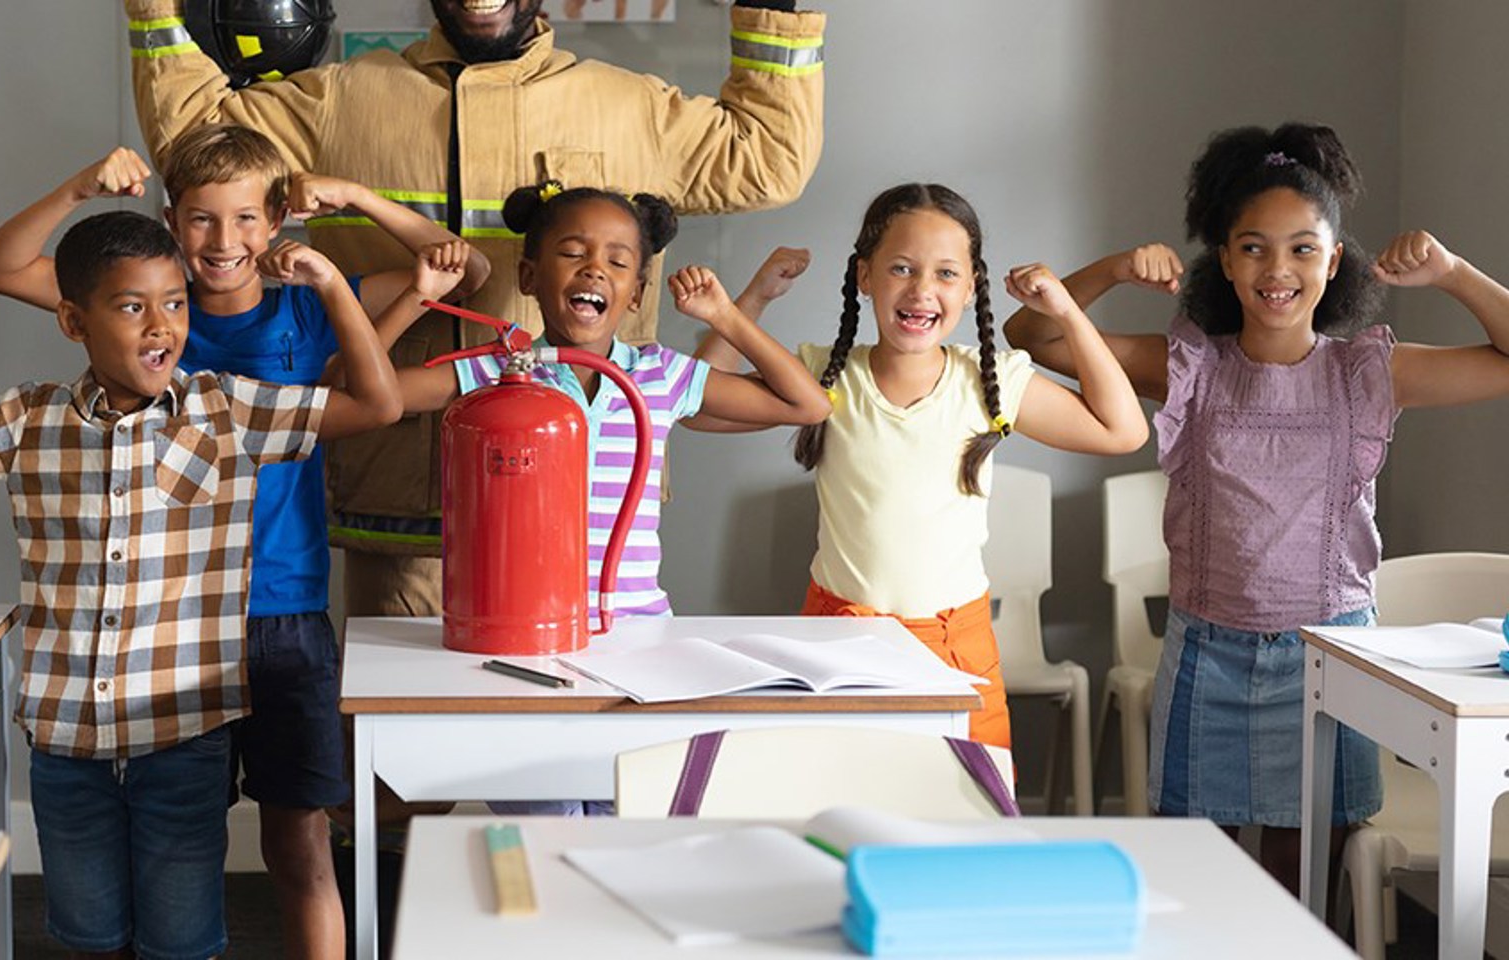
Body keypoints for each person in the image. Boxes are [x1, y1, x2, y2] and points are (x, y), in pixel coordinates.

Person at [121, 0, 827, 626]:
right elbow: (195, 137)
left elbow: (766, 157)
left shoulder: (631, 106)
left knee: (565, 751)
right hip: (397, 497)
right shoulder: (338, 100)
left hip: (575, 512)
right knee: (394, 756)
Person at [0, 124, 483, 960]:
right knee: (171, 843)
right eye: (201, 220)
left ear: (278, 218)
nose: (223, 242)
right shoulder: (145, 308)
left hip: (279, 610)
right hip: (162, 624)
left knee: (297, 842)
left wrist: (347, 198)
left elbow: (467, 268)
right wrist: (82, 186)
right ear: (172, 221)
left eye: (246, 219)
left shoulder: (310, 303)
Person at [0, 210, 402, 960]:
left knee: (181, 941)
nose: (161, 325)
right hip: (64, 740)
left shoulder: (228, 410)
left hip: (184, 736)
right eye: (131, 306)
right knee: (90, 936)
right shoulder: (30, 419)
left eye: (174, 303)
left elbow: (378, 404)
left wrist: (335, 290)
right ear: (72, 321)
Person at [1002, 122, 1509, 892]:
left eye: (1303, 247)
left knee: (1305, 885)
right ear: (1226, 264)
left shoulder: (1371, 371)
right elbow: (1032, 335)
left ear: (1335, 262)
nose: (1279, 268)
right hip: (1208, 654)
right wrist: (1110, 268)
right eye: (1254, 247)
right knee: (1201, 881)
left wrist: (1455, 273)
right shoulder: (1188, 367)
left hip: (1334, 657)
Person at [394, 182, 828, 813]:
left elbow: (807, 403)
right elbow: (377, 394)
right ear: (529, 274)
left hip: (639, 639)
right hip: (528, 641)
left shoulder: (659, 373)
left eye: (619, 262)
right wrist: (417, 299)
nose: (596, 268)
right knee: (541, 821)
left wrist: (726, 316)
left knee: (635, 815)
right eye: (573, 252)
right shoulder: (499, 368)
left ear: (637, 293)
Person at [700, 184, 1149, 750]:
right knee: (842, 805)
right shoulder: (825, 376)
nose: (922, 291)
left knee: (968, 816)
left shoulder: (992, 382)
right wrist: (752, 301)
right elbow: (701, 406)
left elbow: (1124, 431)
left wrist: (1065, 311)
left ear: (972, 287)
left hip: (954, 646)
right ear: (865, 277)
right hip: (838, 643)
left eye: (945, 274)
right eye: (902, 269)